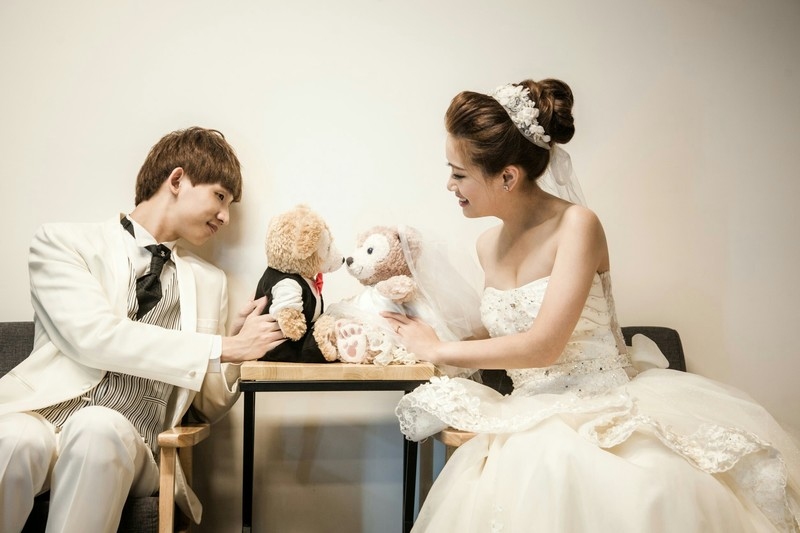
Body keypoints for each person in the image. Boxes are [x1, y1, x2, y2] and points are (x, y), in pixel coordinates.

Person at [383, 80, 800, 532]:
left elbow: (543, 345)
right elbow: (506, 329)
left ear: (508, 177)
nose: (450, 185)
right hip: (530, 409)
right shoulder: (487, 245)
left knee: (589, 476)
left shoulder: (577, 225)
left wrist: (439, 350)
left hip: (603, 405)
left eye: (459, 173)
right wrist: (420, 328)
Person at [0, 127, 285, 533]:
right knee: (12, 436)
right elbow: (93, 337)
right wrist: (220, 346)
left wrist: (237, 354)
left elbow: (205, 404)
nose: (225, 216)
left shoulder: (210, 282)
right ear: (177, 180)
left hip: (132, 440)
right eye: (220, 196)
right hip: (43, 418)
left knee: (96, 427)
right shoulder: (63, 243)